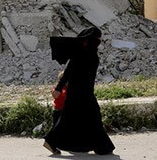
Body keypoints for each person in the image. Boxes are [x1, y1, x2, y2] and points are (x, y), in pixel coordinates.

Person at [43, 27, 115, 155]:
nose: (99, 41)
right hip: (79, 93)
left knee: (76, 119)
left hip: (84, 92)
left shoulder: (90, 52)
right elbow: (68, 72)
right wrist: (59, 89)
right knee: (87, 118)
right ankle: (102, 147)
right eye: (97, 38)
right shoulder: (81, 52)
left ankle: (98, 147)